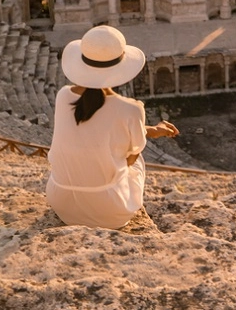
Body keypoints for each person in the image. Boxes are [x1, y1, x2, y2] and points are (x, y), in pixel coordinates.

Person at [46, 25, 179, 229]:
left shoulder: (63, 95)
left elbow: (95, 128)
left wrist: (151, 129)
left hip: (62, 203)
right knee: (137, 157)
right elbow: (128, 158)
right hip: (108, 211)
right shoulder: (131, 109)